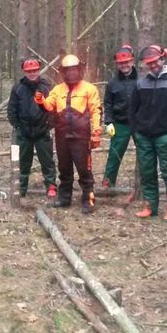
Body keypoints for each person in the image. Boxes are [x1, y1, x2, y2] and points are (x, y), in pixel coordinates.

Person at [35, 54, 102, 214]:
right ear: (63, 72)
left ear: (79, 70)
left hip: (82, 136)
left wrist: (96, 132)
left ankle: (88, 199)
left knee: (84, 169)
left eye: (74, 70)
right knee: (64, 168)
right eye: (68, 71)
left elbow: (96, 110)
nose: (71, 73)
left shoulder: (89, 89)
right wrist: (41, 101)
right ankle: (64, 198)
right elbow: (49, 106)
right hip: (62, 135)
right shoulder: (58, 90)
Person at [130, 44, 167, 222]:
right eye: (149, 63)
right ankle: (149, 205)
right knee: (147, 171)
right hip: (144, 135)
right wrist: (135, 132)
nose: (153, 65)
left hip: (165, 135)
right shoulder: (140, 83)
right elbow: (132, 109)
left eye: (155, 62)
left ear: (162, 59)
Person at [7, 58, 57, 198]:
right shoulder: (18, 88)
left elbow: (54, 107)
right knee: (23, 163)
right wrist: (17, 125)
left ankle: (51, 185)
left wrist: (50, 124)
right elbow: (12, 109)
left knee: (47, 161)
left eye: (34, 71)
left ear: (39, 70)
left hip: (43, 131)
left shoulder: (47, 86)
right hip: (24, 132)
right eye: (29, 71)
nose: (32, 74)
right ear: (24, 72)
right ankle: (21, 188)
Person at [102, 45, 137, 193]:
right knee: (114, 154)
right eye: (121, 63)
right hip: (120, 123)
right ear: (117, 64)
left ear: (132, 61)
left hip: (139, 123)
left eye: (127, 62)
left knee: (145, 154)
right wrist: (109, 122)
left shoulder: (142, 80)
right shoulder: (112, 83)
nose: (124, 65)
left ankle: (144, 184)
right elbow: (108, 104)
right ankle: (108, 183)